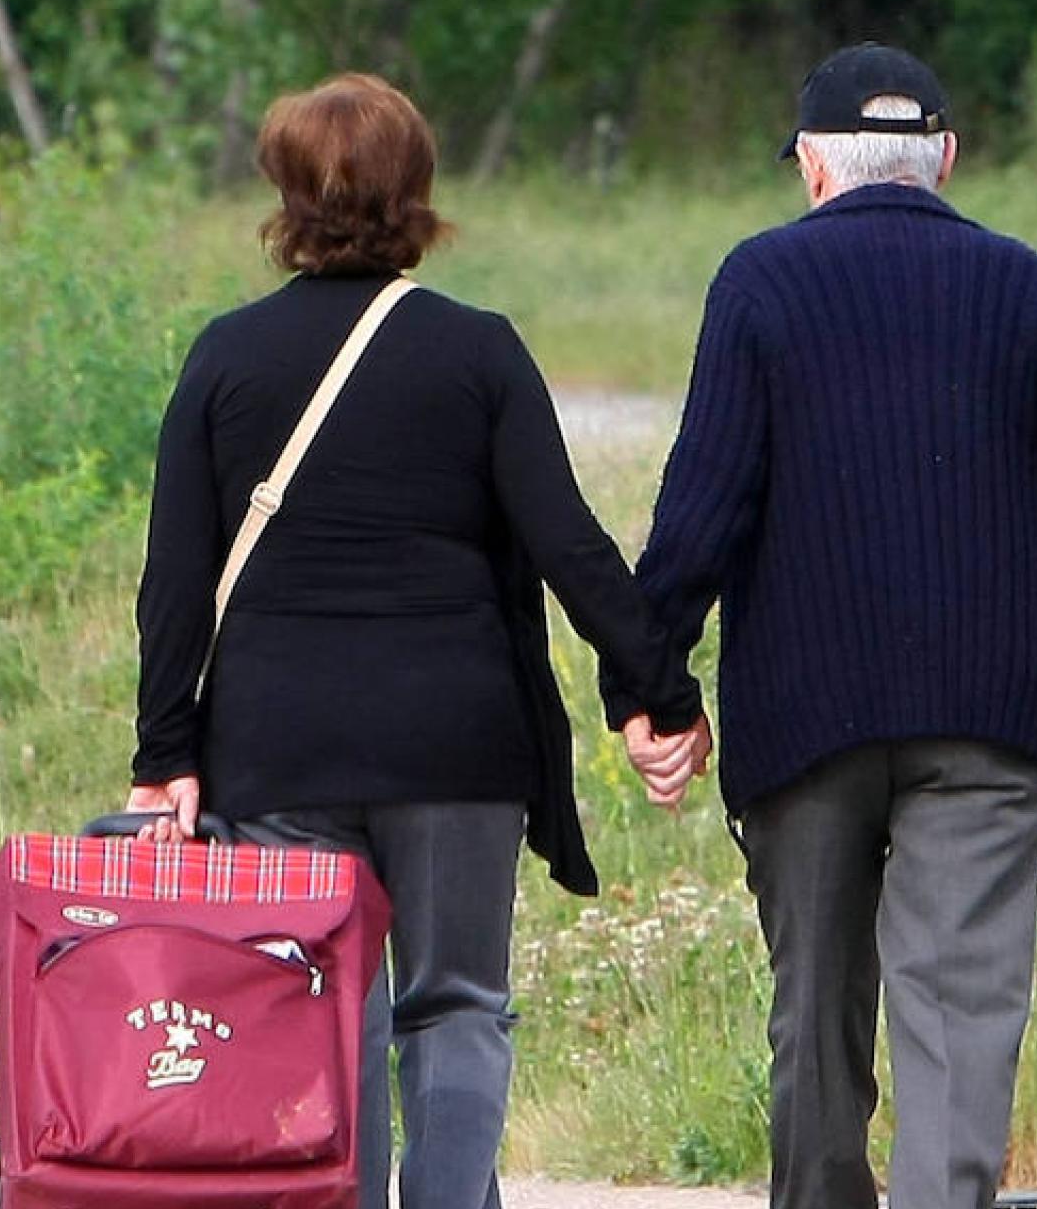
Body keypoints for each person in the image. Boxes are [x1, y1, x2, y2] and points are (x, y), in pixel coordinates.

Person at [608, 43, 1037, 1209]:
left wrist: (653, 690)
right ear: (948, 160)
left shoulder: (760, 283)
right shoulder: (1020, 285)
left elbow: (699, 511)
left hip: (803, 711)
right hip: (989, 714)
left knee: (815, 1005)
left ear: (813, 165)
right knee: (961, 1012)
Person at [124, 73, 707, 1209]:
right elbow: (569, 543)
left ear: (282, 193)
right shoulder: (477, 353)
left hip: (277, 744)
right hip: (455, 740)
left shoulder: (224, 359)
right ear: (420, 193)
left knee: (315, 1001)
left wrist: (165, 754)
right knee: (456, 1005)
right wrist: (657, 692)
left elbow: (175, 580)